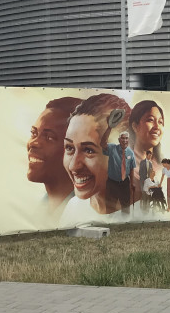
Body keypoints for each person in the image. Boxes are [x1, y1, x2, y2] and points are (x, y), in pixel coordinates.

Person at [58, 93, 131, 223]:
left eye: (89, 150)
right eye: (69, 148)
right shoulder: (73, 208)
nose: (73, 166)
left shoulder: (141, 211)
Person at [26, 96, 81, 218]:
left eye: (49, 137)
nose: (33, 143)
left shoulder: (83, 210)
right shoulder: (40, 211)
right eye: (34, 133)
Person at [128, 99, 166, 210]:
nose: (157, 127)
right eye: (150, 120)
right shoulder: (126, 163)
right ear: (135, 126)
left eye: (160, 122)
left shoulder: (162, 165)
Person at [104, 131, 136, 214]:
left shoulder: (131, 153)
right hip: (112, 183)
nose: (125, 140)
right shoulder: (112, 148)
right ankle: (110, 223)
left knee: (126, 207)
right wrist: (109, 127)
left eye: (126, 138)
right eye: (123, 138)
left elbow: (132, 168)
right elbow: (102, 144)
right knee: (110, 206)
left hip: (125, 183)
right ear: (119, 140)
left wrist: (132, 183)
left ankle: (125, 223)